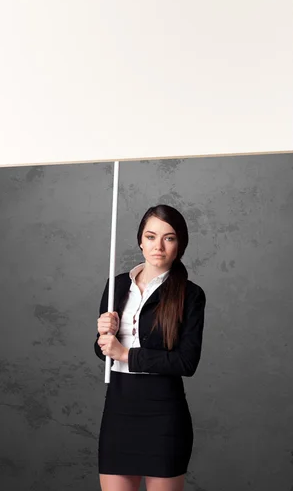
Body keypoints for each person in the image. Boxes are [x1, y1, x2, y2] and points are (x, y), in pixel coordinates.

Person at [94, 204, 206, 491]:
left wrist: (125, 354)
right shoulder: (117, 285)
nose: (158, 246)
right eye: (151, 236)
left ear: (180, 244)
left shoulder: (190, 295)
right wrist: (104, 336)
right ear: (140, 241)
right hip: (119, 407)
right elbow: (102, 352)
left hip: (164, 414)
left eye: (169, 238)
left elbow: (186, 363)